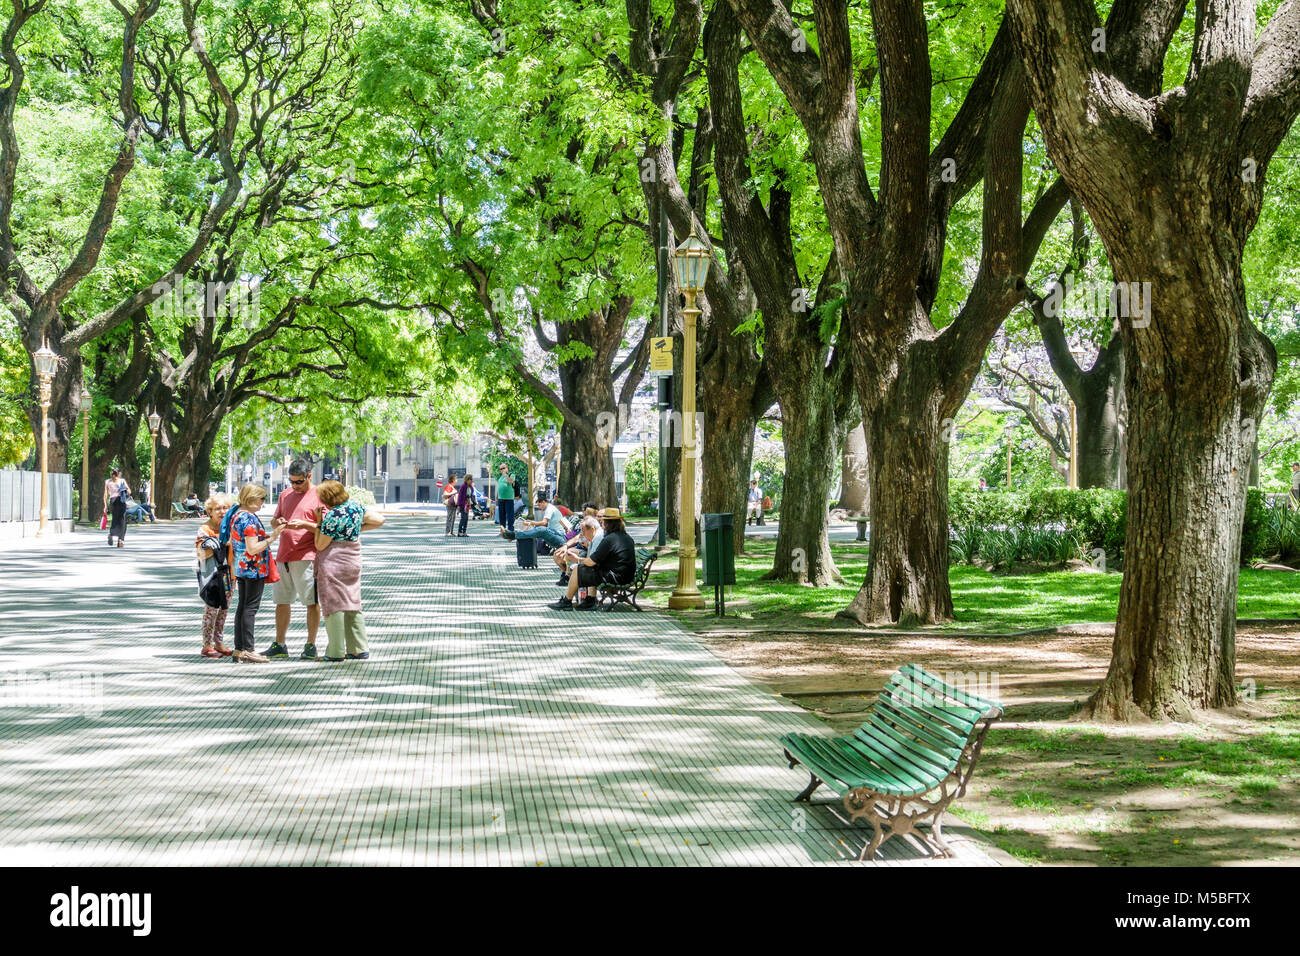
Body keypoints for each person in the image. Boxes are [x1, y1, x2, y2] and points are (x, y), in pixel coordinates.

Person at [291, 480, 386, 661]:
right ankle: (359, 648)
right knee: (352, 602)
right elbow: (380, 520)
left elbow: (320, 544)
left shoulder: (332, 516)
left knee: (333, 605)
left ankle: (335, 652)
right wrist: (357, 528)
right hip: (353, 560)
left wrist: (319, 522)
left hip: (333, 562)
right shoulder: (355, 507)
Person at [263, 459, 322, 661]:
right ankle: (280, 643)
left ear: (309, 476)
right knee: (281, 601)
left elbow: (325, 529)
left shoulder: (320, 496)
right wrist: (276, 522)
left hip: (307, 556)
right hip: (283, 555)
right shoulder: (285, 495)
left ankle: (311, 644)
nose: (295, 486)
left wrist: (305, 525)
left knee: (311, 602)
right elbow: (273, 521)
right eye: (291, 482)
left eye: (299, 482)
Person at [228, 483, 284, 663]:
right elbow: (252, 548)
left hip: (242, 567)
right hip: (253, 567)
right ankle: (249, 649)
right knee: (250, 609)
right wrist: (273, 537)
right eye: (262, 498)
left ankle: (239, 649)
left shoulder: (237, 515)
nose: (263, 502)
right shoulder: (249, 519)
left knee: (243, 607)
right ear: (252, 498)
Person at [549, 507, 636, 611]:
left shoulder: (609, 539)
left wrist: (577, 559)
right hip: (625, 575)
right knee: (588, 569)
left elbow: (591, 562)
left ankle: (567, 601)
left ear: (608, 523)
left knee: (578, 569)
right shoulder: (626, 537)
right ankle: (589, 600)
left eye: (603, 521)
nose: (602, 524)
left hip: (616, 576)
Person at [195, 493, 235, 658]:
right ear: (210, 511)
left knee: (224, 609)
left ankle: (219, 642)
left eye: (225, 508)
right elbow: (201, 554)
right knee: (211, 609)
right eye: (217, 508)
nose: (222, 511)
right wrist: (219, 543)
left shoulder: (231, 527)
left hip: (229, 574)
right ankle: (206, 645)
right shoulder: (205, 529)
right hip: (211, 575)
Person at [503, 492, 570, 550]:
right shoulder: (550, 508)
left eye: (539, 505)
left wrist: (531, 522)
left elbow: (544, 523)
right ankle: (513, 535)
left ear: (544, 502)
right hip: (555, 534)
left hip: (560, 537)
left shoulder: (549, 509)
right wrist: (532, 524)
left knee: (541, 530)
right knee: (535, 529)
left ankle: (513, 535)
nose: (539, 507)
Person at [552, 514, 602, 589]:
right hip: (581, 550)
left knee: (569, 553)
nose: (599, 518)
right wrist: (565, 546)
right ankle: (567, 575)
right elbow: (575, 538)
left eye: (601, 516)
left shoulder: (598, 532)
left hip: (587, 553)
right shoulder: (585, 528)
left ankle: (570, 578)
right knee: (558, 554)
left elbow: (595, 552)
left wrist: (587, 545)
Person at [105, 468, 130, 547]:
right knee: (122, 520)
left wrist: (105, 506)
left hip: (112, 501)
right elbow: (129, 492)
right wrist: (125, 489)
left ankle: (111, 534)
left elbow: (105, 495)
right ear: (119, 473)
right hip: (121, 501)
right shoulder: (122, 481)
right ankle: (120, 540)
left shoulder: (107, 482)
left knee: (115, 519)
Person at [496, 463, 516, 533]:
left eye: (503, 468)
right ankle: (502, 531)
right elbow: (499, 488)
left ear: (507, 468)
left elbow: (510, 482)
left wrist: (505, 475)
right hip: (500, 499)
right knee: (501, 516)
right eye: (500, 469)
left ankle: (510, 531)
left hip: (509, 499)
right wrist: (497, 498)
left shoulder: (511, 475)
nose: (502, 470)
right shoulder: (500, 477)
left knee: (510, 516)